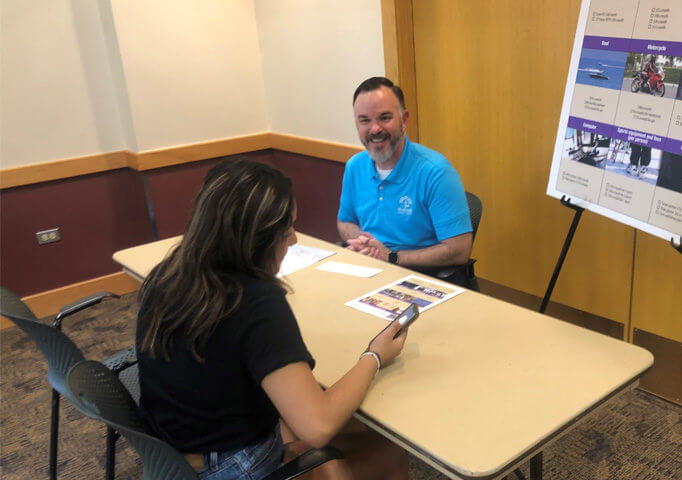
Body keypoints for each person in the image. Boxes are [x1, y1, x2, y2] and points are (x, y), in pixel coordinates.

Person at [136, 158, 409, 480]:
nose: (293, 239)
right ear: (259, 237)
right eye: (287, 228)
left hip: (172, 454)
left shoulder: (168, 272)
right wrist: (374, 355)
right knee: (390, 451)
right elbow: (318, 426)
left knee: (315, 418)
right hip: (229, 466)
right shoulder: (254, 300)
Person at [337, 77, 473, 285]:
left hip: (421, 277)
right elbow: (345, 221)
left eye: (384, 118)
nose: (374, 129)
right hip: (369, 273)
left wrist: (392, 257)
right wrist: (363, 243)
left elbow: (459, 250)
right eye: (365, 120)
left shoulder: (435, 172)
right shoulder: (354, 166)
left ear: (404, 120)